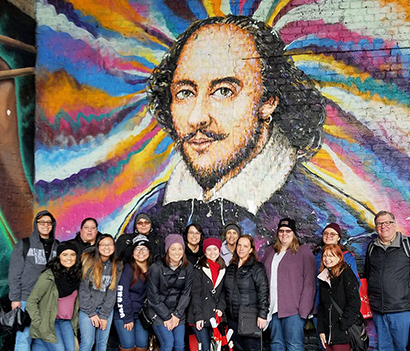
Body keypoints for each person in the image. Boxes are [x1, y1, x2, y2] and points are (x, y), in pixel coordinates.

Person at [119, 15, 373, 246]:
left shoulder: (335, 226)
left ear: (268, 102)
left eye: (224, 91)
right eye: (185, 93)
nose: (197, 118)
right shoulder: (150, 212)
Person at [365, 211, 410, 351]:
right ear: (376, 227)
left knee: (404, 348)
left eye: (387, 222)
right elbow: (368, 274)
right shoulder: (372, 248)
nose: (384, 226)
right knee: (384, 348)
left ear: (394, 224)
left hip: (403, 311)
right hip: (378, 311)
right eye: (380, 224)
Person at [261, 218, 316, 351]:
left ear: (294, 233)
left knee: (294, 346)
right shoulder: (270, 251)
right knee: (276, 345)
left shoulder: (303, 251)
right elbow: (261, 277)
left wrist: (303, 311)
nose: (284, 234)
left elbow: (310, 283)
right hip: (272, 309)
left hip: (294, 310)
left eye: (288, 231)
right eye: (281, 231)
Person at [8, 210, 59, 351]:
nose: (45, 225)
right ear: (36, 224)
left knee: (42, 338)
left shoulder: (57, 246)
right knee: (24, 337)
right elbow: (14, 274)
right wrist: (15, 299)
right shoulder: (24, 244)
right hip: (26, 298)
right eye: (42, 222)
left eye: (48, 222)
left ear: (52, 225)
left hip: (47, 301)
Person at [26, 241, 81, 351]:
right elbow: (31, 301)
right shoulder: (49, 275)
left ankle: (39, 344)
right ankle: (40, 340)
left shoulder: (77, 276)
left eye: (72, 254)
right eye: (65, 254)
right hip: (50, 322)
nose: (69, 258)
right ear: (59, 257)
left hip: (66, 322)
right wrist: (39, 324)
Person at [313, 223, 360, 350]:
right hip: (322, 314)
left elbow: (354, 293)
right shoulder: (317, 256)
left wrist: (343, 323)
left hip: (339, 317)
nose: (328, 236)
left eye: (332, 234)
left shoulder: (347, 259)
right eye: (325, 233)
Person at [146, 234, 194, 351]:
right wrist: (167, 317)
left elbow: (186, 293)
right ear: (167, 250)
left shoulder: (188, 268)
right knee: (168, 344)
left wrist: (177, 315)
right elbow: (153, 297)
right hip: (159, 312)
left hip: (178, 312)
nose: (177, 252)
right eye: (173, 249)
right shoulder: (156, 268)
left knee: (179, 345)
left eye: (180, 249)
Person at [223, 235, 269, 351]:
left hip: (250, 318)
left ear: (251, 249)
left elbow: (263, 292)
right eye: (239, 245)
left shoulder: (257, 268)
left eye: (245, 246)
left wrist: (262, 315)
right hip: (232, 319)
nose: (241, 248)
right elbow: (225, 291)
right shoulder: (231, 268)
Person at [79, 234, 122, 351]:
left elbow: (112, 292)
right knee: (88, 343)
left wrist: (103, 315)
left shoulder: (117, 265)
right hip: (88, 310)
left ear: (114, 247)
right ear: (98, 247)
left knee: (102, 344)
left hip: (106, 310)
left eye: (110, 244)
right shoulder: (89, 263)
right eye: (103, 244)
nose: (106, 247)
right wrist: (91, 313)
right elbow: (83, 290)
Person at [114, 235, 153, 351]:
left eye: (144, 249)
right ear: (132, 252)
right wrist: (127, 317)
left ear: (149, 252)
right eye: (137, 249)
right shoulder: (128, 268)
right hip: (125, 314)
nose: (141, 252)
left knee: (142, 345)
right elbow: (121, 293)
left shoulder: (153, 268)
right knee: (129, 345)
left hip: (142, 315)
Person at [188, 237, 227, 350]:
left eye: (215, 249)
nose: (212, 252)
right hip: (200, 315)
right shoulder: (199, 269)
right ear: (204, 252)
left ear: (219, 251)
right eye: (209, 250)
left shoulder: (223, 269)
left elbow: (224, 292)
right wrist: (199, 317)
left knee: (216, 347)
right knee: (205, 347)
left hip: (215, 316)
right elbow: (195, 294)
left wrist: (221, 307)